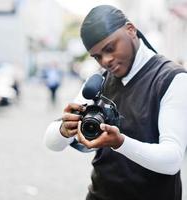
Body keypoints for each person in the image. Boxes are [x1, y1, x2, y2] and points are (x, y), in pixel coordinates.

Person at [44, 5, 187, 200]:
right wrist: (64, 129)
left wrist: (120, 143)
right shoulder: (99, 81)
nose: (106, 61)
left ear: (131, 30)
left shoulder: (172, 78)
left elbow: (172, 160)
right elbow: (52, 143)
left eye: (110, 48)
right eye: (97, 56)